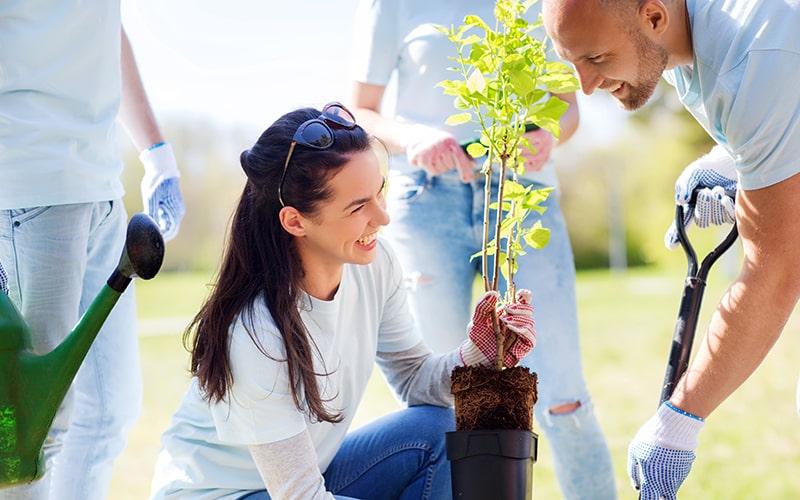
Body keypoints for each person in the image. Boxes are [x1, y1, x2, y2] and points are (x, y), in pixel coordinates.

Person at [148, 103, 537, 499]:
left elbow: (415, 379)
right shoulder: (256, 334)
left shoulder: (374, 264)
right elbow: (301, 495)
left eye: (378, 192)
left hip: (302, 483)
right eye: (358, 207)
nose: (382, 218)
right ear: (295, 221)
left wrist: (478, 353)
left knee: (438, 430)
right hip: (228, 494)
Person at [347, 0, 618, 497]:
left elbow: (568, 105)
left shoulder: (544, 5)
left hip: (523, 197)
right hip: (427, 201)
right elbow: (358, 110)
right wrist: (411, 137)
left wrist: (547, 134)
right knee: (441, 400)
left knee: (563, 397)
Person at [541, 0, 800, 497]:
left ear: (653, 17)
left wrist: (679, 421)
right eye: (570, 61)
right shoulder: (678, 50)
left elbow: (776, 272)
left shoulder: (757, 57)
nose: (585, 85)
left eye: (595, 58)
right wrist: (730, 162)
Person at [0, 3, 185, 498]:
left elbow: (104, 29)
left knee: (108, 410)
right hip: (27, 185)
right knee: (28, 432)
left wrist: (156, 152)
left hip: (100, 186)